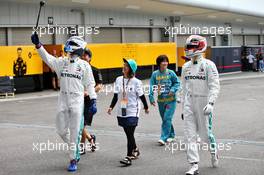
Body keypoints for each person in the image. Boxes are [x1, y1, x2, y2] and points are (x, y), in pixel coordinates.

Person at [31, 32, 97, 172]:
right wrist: (38, 46)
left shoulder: (85, 66)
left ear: (77, 48)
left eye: (71, 46)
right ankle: (75, 146)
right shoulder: (62, 62)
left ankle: (73, 159)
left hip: (77, 101)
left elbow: (90, 84)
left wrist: (93, 100)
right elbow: (47, 58)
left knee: (74, 131)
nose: (68, 48)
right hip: (63, 99)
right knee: (61, 130)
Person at [180, 35, 220, 175]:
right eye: (188, 47)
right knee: (189, 135)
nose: (189, 50)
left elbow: (215, 86)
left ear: (200, 47)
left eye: (191, 47)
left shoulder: (208, 65)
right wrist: (183, 107)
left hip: (203, 102)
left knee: (205, 134)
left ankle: (213, 151)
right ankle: (194, 165)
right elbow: (183, 88)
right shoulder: (185, 66)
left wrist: (211, 103)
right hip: (189, 102)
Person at [107, 58, 149, 166]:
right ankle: (135, 149)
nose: (124, 66)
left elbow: (141, 96)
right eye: (124, 64)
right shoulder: (118, 79)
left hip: (133, 110)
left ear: (131, 69)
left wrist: (146, 107)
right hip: (122, 109)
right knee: (128, 134)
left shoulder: (136, 82)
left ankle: (128, 156)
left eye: (126, 65)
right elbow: (116, 95)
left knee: (130, 133)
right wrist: (111, 107)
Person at [149, 55, 180, 146]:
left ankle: (163, 138)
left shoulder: (171, 73)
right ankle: (172, 134)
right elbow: (151, 86)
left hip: (171, 100)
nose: (165, 63)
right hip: (161, 101)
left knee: (167, 118)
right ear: (159, 63)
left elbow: (177, 83)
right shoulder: (155, 74)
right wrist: (151, 97)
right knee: (165, 119)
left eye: (166, 61)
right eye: (163, 61)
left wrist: (173, 90)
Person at [80, 48, 103, 154]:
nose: (83, 57)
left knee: (82, 124)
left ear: (90, 58)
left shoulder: (95, 70)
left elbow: (99, 86)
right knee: (79, 124)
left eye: (85, 56)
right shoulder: (78, 69)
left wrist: (89, 92)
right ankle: (90, 139)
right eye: (82, 56)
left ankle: (82, 147)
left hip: (89, 101)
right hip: (78, 100)